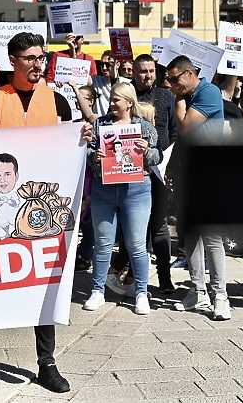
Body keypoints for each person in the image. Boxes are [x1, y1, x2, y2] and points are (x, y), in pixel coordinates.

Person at [0, 32, 90, 395]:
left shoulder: (58, 102)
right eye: (30, 58)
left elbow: (69, 152)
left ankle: (47, 362)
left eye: (41, 57)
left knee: (43, 283)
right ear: (13, 60)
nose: (38, 64)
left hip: (43, 211)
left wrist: (83, 137)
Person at [83, 82, 161, 316]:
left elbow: (158, 156)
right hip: (104, 191)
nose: (112, 103)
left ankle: (141, 292)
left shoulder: (144, 127)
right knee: (103, 243)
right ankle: (98, 291)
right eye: (112, 99)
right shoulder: (101, 124)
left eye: (117, 99)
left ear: (129, 102)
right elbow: (87, 155)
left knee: (136, 244)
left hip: (136, 191)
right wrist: (94, 156)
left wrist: (147, 151)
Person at [165, 56, 229, 321]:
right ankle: (198, 289)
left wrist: (178, 99)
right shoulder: (188, 93)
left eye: (175, 79)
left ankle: (221, 296)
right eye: (169, 80)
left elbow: (185, 127)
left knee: (212, 237)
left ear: (190, 74)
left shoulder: (209, 92)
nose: (171, 84)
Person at [107, 54, 178, 293]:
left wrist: (169, 164)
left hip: (158, 170)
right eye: (142, 71)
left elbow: (175, 133)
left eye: (151, 71)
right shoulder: (127, 94)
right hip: (128, 170)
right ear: (133, 73)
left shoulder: (166, 96)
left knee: (159, 226)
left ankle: (165, 278)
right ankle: (130, 277)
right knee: (132, 227)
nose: (147, 75)